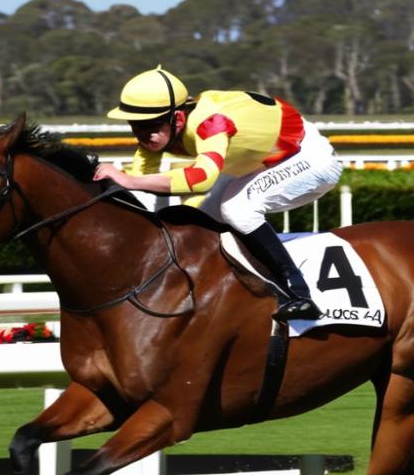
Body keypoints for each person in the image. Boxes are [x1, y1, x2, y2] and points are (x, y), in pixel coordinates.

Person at [94, 66, 343, 322]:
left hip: (308, 157)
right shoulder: (156, 136)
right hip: (257, 161)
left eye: (151, 125)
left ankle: (299, 293)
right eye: (136, 126)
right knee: (198, 220)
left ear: (178, 118)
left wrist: (129, 180)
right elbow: (138, 189)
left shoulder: (211, 123)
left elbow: (202, 179)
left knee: (238, 210)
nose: (145, 134)